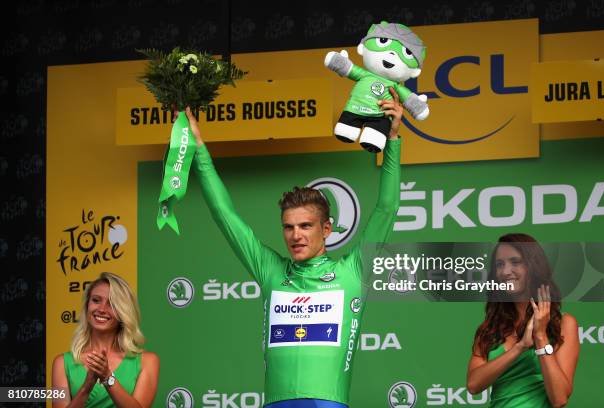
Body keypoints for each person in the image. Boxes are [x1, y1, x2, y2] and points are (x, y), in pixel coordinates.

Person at [188, 87, 403, 407]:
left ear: (327, 229)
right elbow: (225, 216)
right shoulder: (271, 271)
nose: (295, 235)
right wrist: (198, 149)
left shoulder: (353, 270)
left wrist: (394, 140)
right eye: (288, 227)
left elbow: (386, 207)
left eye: (305, 226)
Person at [466, 234, 580, 408]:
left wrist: (540, 336)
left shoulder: (563, 323)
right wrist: (520, 347)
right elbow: (473, 385)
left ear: (532, 266)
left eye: (515, 262)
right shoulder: (489, 328)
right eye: (499, 265)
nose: (505, 271)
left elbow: (559, 399)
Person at [52, 272, 160, 408]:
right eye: (96, 300)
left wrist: (107, 377)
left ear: (123, 311)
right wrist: (87, 386)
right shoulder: (61, 363)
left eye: (112, 304)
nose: (102, 309)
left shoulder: (148, 361)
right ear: (87, 306)